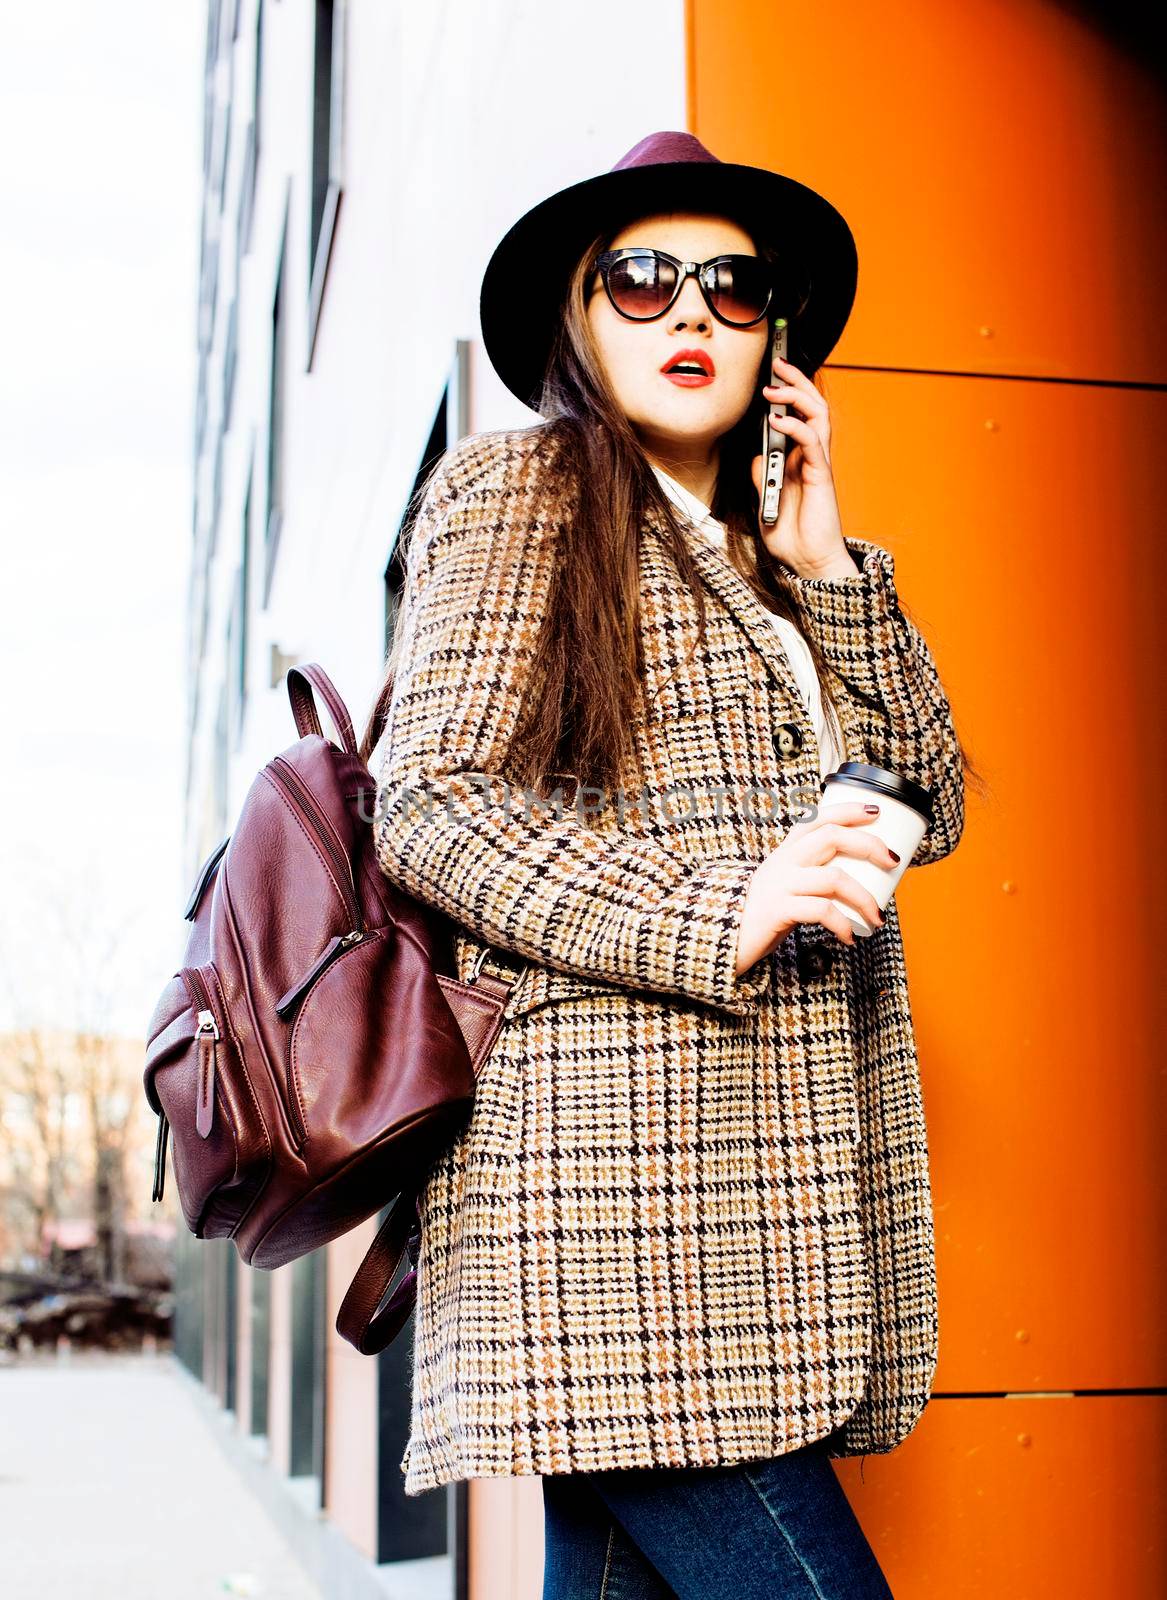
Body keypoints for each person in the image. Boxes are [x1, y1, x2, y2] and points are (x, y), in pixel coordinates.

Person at [368, 130, 971, 1599]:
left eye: (733, 286)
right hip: (620, 1204)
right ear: (579, 317)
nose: (690, 312)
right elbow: (431, 803)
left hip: (746, 1215)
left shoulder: (774, 563)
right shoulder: (523, 491)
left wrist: (830, 573)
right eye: (642, 279)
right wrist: (727, 904)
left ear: (777, 338)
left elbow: (931, 804)